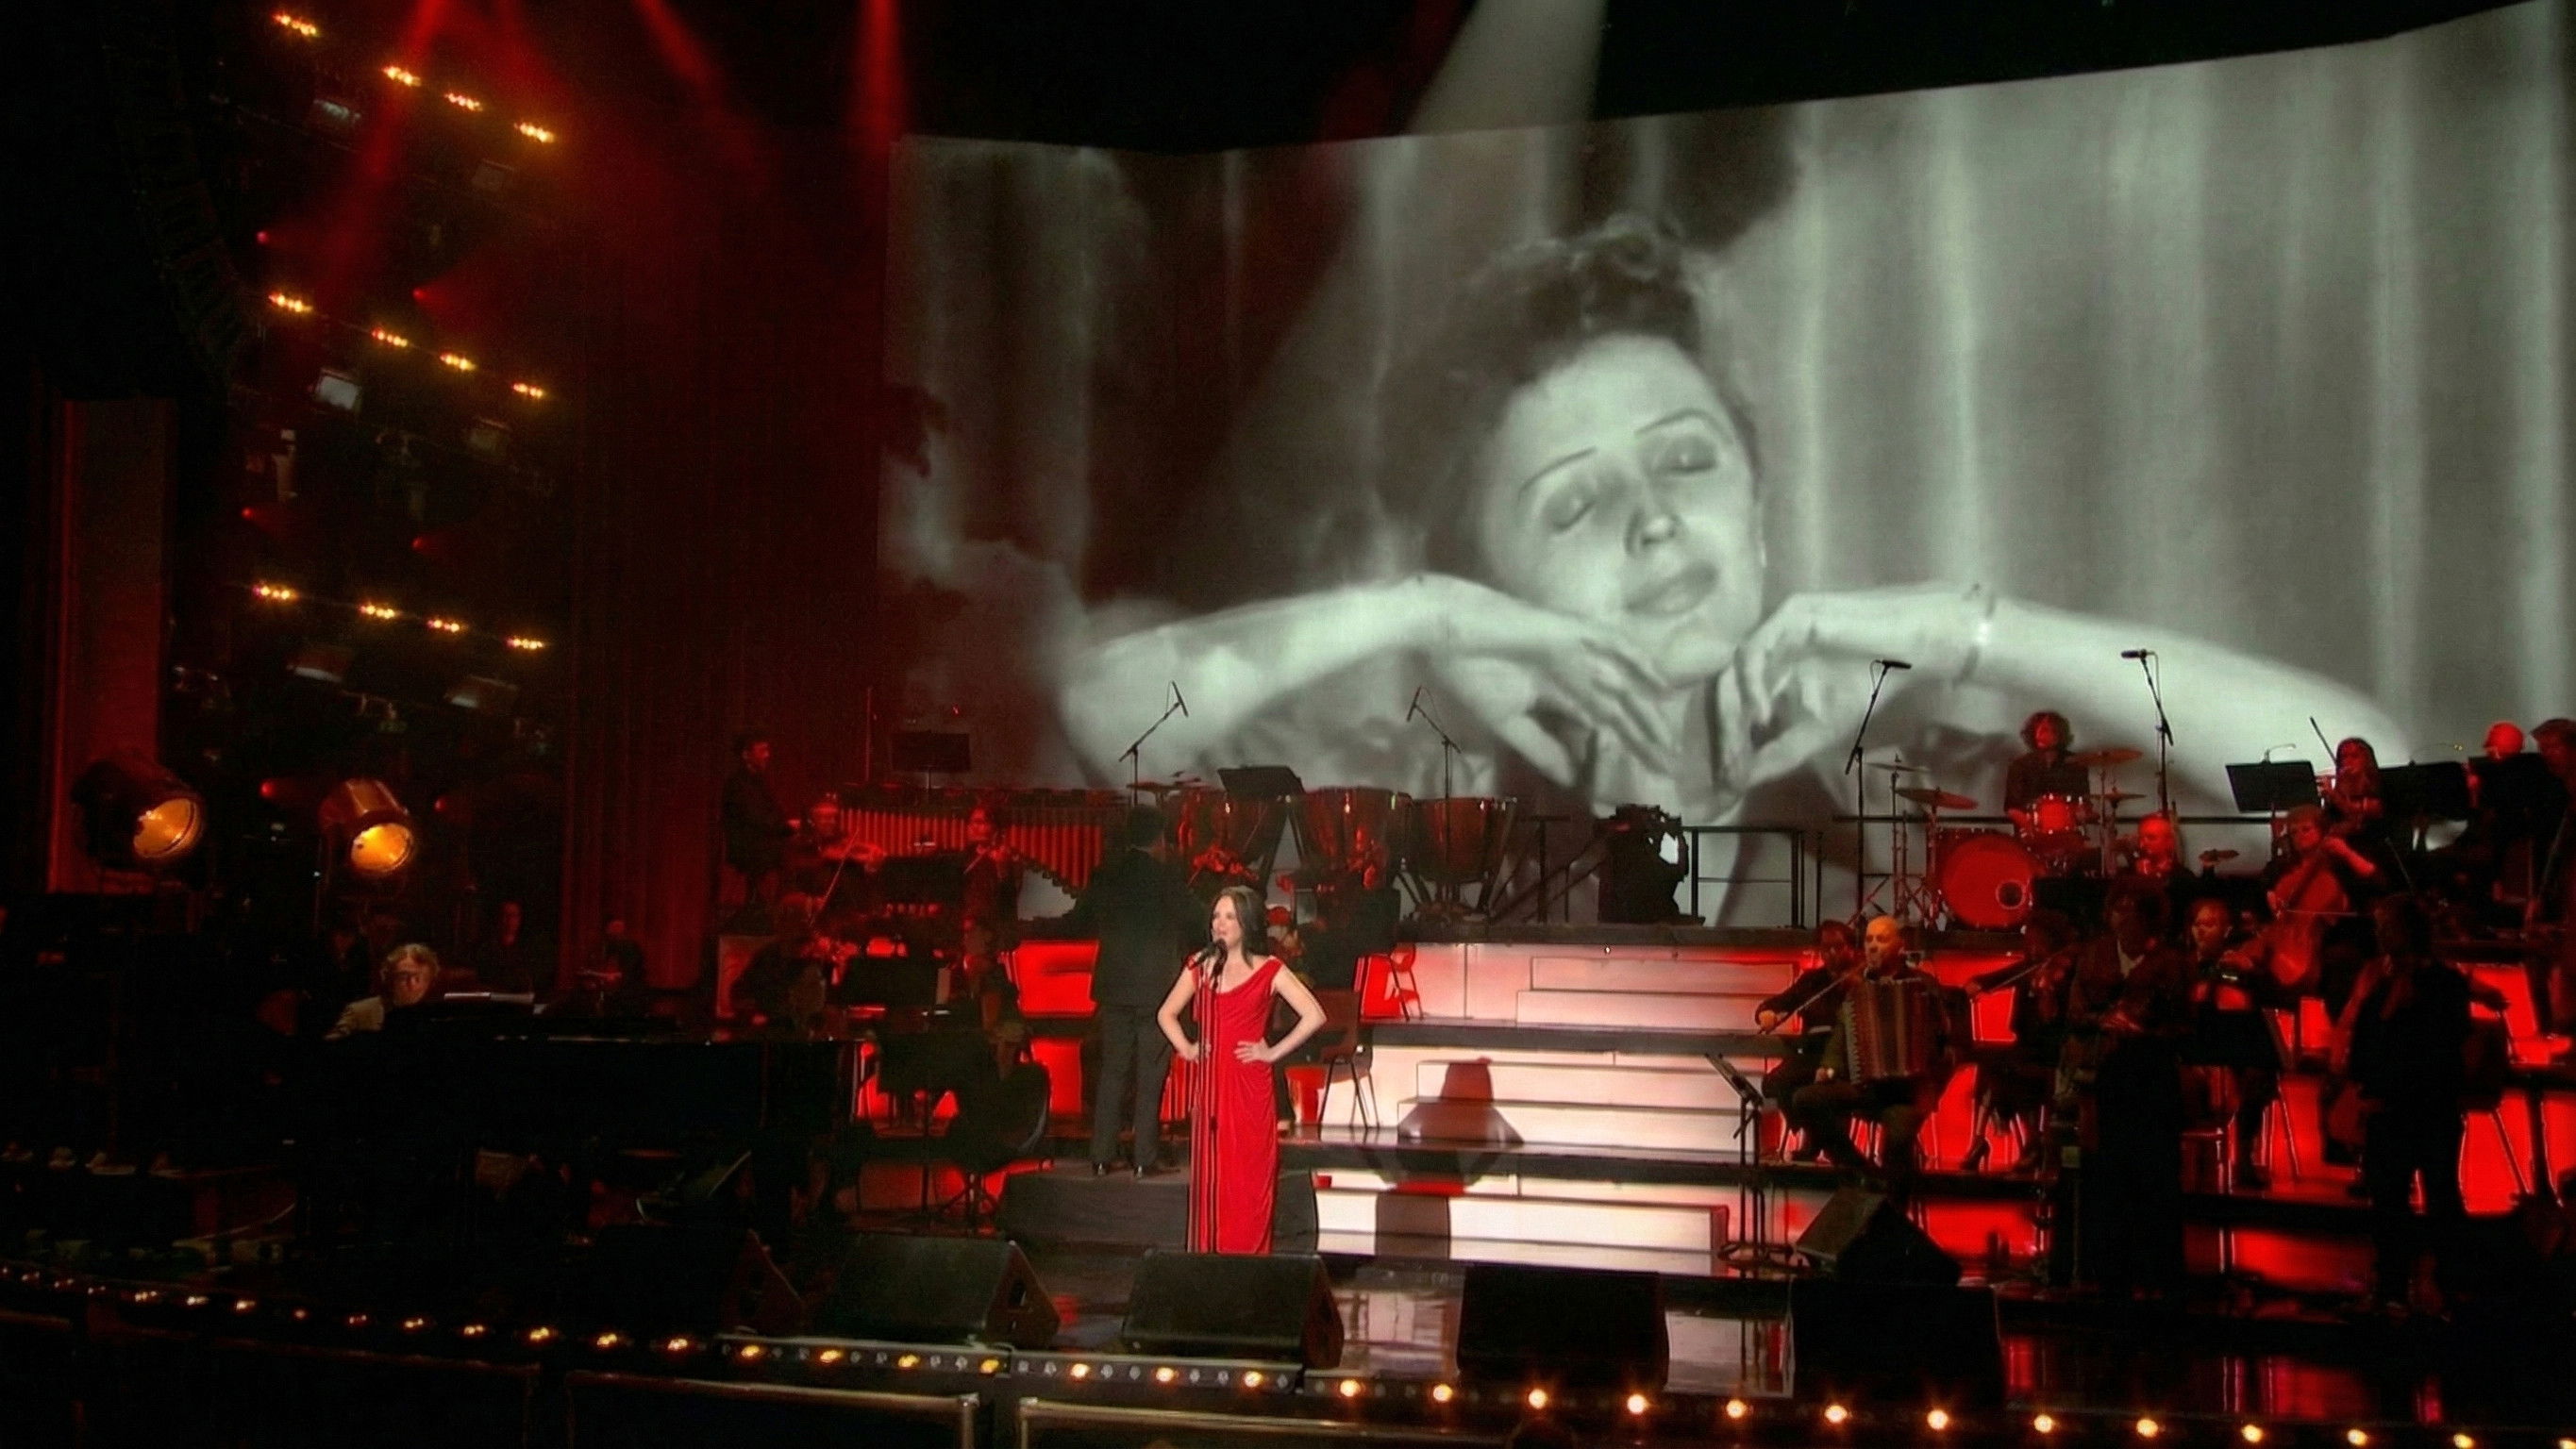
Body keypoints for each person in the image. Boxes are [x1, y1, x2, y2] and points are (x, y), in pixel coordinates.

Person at [1056, 217, 2406, 920]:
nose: (1652, 524)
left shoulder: (1921, 795)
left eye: (1686, 463)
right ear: (1495, 593)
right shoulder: (1420, 812)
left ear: (1758, 508)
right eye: (1572, 504)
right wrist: (1415, 611)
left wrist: (1964, 628)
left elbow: (2367, 775)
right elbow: (1107, 707)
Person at [1030, 806, 1207, 1177]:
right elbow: (1199, 920)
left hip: (1114, 988)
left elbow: (1076, 922)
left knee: (1112, 1072)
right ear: (1160, 840)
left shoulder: (1106, 875)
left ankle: (1100, 1155)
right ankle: (1144, 1158)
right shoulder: (1167, 878)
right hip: (1157, 991)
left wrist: (1031, 926)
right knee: (1150, 1075)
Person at [1158, 884, 1327, 1254]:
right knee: (1213, 1178)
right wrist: (1187, 1048)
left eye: (1229, 916)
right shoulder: (1201, 967)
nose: (1219, 924)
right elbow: (1166, 1013)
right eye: (1216, 916)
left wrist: (1272, 1052)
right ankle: (1209, 1259)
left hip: (1250, 1086)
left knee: (1249, 1177)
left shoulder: (1270, 969)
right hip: (1212, 1087)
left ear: (1246, 923)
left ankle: (1249, 1259)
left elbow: (1314, 1015)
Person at [2335, 894, 2472, 1316]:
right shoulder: (2382, 980)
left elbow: (2441, 1047)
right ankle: (2395, 1287)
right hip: (2393, 1106)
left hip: (2423, 1106)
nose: (2378, 934)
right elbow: (2365, 1038)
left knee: (2438, 1199)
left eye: (2385, 926)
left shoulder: (2442, 984)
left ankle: (2445, 1286)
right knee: (2391, 1203)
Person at [2061, 882, 2194, 1296]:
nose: (2124, 918)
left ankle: (2158, 1275)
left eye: (2133, 911)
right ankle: (2108, 1272)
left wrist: (2143, 1031)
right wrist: (2103, 1022)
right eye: (2118, 910)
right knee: (2108, 1174)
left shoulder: (2171, 963)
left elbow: (2185, 1025)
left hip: (2152, 1077)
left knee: (2155, 1177)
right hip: (2104, 1076)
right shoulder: (2094, 955)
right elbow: (2075, 1011)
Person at [1784, 915, 1964, 1197]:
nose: (1873, 946)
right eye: (1868, 940)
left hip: (1907, 1094)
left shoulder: (1922, 985)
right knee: (1806, 1099)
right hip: (1867, 1086)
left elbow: (1951, 1042)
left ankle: (1893, 1208)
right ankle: (1860, 1170)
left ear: (1899, 945)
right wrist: (1829, 1066)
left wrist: (1933, 1086)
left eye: (1881, 939)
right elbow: (1843, 1031)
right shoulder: (1859, 988)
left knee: (1898, 1139)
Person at [2178, 897, 2290, 1191]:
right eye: (2197, 925)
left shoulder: (2241, 962)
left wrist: (2253, 972)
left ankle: (2245, 1154)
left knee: (2258, 1075)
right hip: (2191, 1047)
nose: (2201, 931)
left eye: (2210, 924)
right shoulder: (2182, 966)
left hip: (2236, 1046)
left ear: (2226, 930)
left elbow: (2280, 998)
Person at [1964, 909, 2080, 1174]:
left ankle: (2034, 1143)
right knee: (1991, 1065)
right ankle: (1991, 1140)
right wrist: (1979, 983)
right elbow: (2005, 975)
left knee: (2013, 1072)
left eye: (2036, 940)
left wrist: (2049, 994)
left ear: (2049, 941)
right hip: (2027, 1045)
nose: (2030, 946)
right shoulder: (2031, 966)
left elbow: (2056, 1020)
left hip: (2053, 1050)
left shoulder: (2066, 971)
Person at [1753, 918, 1863, 1158]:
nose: (1832, 954)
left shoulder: (1862, 979)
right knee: (1774, 1082)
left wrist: (1857, 985)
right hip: (1811, 1052)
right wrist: (1766, 1013)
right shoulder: (1812, 980)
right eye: (1826, 948)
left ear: (1851, 948)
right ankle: (1815, 1136)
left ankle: (1817, 1143)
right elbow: (1779, 1002)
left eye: (1838, 947)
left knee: (1810, 1090)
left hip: (1845, 1056)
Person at [721, 732, 793, 907]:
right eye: (762, 750)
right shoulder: (738, 784)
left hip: (761, 847)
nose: (767, 755)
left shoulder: (760, 782)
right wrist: (785, 827)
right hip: (750, 851)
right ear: (746, 754)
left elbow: (771, 813)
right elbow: (756, 818)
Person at [325, 943, 444, 1041]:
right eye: (404, 976)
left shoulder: (437, 1018)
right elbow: (329, 1051)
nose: (412, 984)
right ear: (388, 979)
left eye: (419, 977)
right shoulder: (360, 1013)